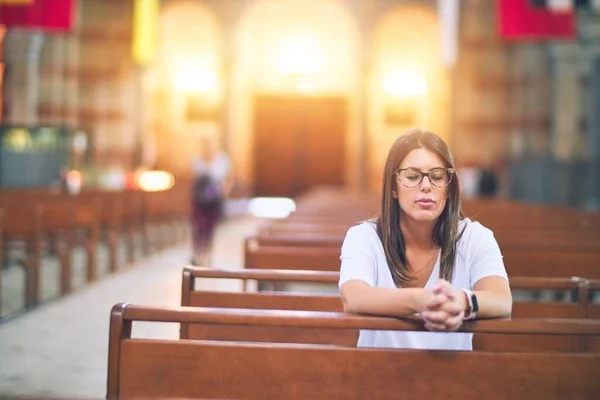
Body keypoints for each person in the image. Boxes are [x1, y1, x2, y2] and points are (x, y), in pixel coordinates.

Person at [339, 128, 512, 350]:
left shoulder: (475, 237)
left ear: (448, 188)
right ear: (393, 187)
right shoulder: (364, 237)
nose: (426, 186)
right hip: (378, 374)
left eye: (437, 176)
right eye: (412, 176)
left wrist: (462, 301)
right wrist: (421, 301)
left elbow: (501, 300)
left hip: (454, 376)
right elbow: (354, 298)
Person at [190, 133, 233, 266]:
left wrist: (224, 191)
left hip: (215, 199)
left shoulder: (222, 160)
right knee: (199, 227)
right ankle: (198, 255)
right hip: (200, 199)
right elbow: (194, 180)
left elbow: (229, 178)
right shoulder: (197, 161)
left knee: (210, 228)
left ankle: (208, 254)